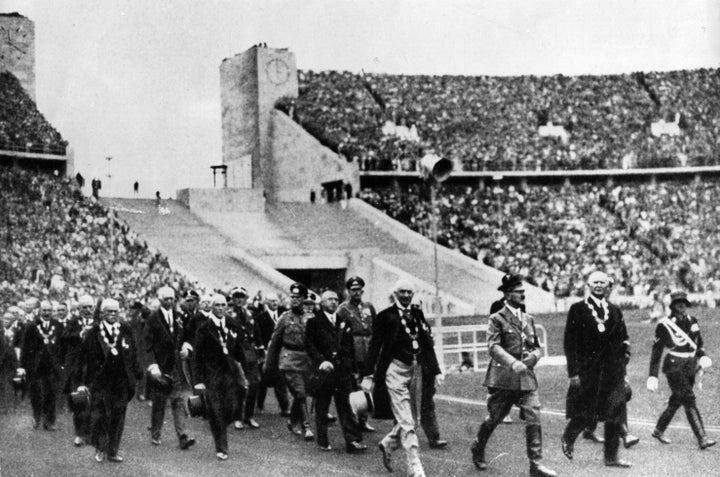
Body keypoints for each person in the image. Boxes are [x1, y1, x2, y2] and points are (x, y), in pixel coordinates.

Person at [470, 274, 556, 477]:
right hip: (504, 378)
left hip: (526, 377)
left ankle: (536, 464)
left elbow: (536, 348)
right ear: (507, 295)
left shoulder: (528, 319)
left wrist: (532, 358)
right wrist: (513, 362)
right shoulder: (497, 318)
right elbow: (493, 346)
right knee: (495, 418)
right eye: (518, 292)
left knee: (534, 416)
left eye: (523, 291)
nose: (522, 294)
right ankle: (478, 446)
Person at [361, 279, 443, 477]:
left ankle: (389, 443)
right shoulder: (385, 316)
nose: (406, 295)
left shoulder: (416, 313)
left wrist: (437, 370)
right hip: (395, 371)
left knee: (413, 419)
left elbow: (426, 343)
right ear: (395, 294)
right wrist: (368, 374)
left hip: (416, 370)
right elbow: (374, 347)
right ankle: (414, 465)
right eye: (402, 292)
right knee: (406, 420)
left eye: (409, 292)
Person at [561, 271, 632, 468]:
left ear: (608, 286)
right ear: (588, 285)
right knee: (588, 411)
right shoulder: (578, 309)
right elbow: (570, 343)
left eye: (603, 282)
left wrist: (623, 364)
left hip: (613, 371)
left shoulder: (615, 310)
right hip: (589, 370)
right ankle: (568, 436)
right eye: (595, 282)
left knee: (614, 412)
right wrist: (573, 372)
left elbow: (624, 340)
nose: (599, 285)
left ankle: (611, 457)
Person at [76, 298, 142, 463]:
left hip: (121, 381)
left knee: (118, 416)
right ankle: (100, 447)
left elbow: (133, 354)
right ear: (102, 313)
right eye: (109, 311)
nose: (113, 314)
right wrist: (83, 382)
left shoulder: (126, 329)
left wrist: (137, 374)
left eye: (115, 311)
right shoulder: (94, 332)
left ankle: (113, 450)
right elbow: (84, 358)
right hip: (101, 381)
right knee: (101, 416)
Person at [647, 290, 716, 449]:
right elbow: (657, 351)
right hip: (674, 366)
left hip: (690, 366)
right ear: (672, 306)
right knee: (689, 399)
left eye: (684, 302)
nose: (681, 305)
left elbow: (698, 343)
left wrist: (703, 355)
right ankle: (702, 437)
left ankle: (658, 430)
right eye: (678, 303)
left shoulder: (693, 320)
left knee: (678, 399)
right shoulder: (664, 325)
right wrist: (653, 376)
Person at [305, 290, 367, 453]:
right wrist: (321, 361)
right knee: (322, 407)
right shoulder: (314, 322)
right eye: (329, 299)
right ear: (322, 303)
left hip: (342, 372)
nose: (333, 302)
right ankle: (323, 441)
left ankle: (352, 441)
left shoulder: (343, 321)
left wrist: (353, 369)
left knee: (346, 406)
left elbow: (349, 347)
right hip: (324, 371)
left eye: (335, 299)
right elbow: (310, 345)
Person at [192, 294, 248, 460]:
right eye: (217, 305)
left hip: (229, 373)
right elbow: (197, 356)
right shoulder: (204, 328)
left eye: (223, 305)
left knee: (231, 407)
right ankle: (221, 446)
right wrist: (198, 381)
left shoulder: (233, 325)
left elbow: (239, 351)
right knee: (216, 410)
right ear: (212, 307)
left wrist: (245, 372)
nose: (220, 308)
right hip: (212, 374)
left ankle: (222, 426)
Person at [143, 286, 195, 450]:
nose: (170, 302)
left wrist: (187, 346)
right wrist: (153, 366)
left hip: (177, 366)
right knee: (159, 402)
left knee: (179, 401)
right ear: (160, 300)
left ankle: (183, 435)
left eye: (172, 299)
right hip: (161, 366)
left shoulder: (180, 316)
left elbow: (188, 335)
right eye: (166, 299)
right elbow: (147, 345)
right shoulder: (152, 319)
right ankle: (156, 432)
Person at [265, 283, 315, 441]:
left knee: (302, 393)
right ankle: (306, 426)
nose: (294, 300)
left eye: (298, 297)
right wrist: (269, 365)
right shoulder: (284, 318)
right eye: (292, 296)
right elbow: (274, 343)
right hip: (289, 359)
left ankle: (293, 421)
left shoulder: (311, 317)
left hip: (306, 359)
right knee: (299, 392)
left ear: (304, 298)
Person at [336, 275, 377, 432]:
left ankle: (363, 419)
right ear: (348, 291)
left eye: (359, 290)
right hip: (353, 351)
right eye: (353, 290)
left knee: (367, 385)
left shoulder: (368, 306)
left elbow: (376, 328)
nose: (356, 293)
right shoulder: (343, 309)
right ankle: (354, 418)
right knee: (355, 386)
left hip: (368, 350)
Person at [20, 300, 63, 431]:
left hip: (52, 366)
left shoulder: (58, 326)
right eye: (44, 310)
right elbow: (25, 347)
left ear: (52, 312)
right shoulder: (31, 326)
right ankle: (36, 417)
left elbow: (61, 346)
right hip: (35, 366)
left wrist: (61, 363)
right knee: (36, 393)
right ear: (40, 311)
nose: (46, 313)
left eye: (49, 310)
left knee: (51, 393)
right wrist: (22, 366)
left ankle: (49, 421)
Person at [61, 294, 97, 446]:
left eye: (90, 307)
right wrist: (80, 334)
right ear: (79, 309)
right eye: (84, 308)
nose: (88, 310)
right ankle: (79, 434)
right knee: (78, 401)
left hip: (93, 367)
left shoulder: (98, 322)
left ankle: (90, 433)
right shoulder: (73, 321)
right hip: (76, 367)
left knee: (93, 401)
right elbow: (64, 337)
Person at [256, 292, 290, 417]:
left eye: (276, 301)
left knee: (280, 381)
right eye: (271, 301)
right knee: (262, 382)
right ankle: (259, 405)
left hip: (281, 353)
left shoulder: (283, 316)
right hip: (266, 352)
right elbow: (258, 335)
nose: (274, 303)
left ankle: (284, 407)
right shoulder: (260, 317)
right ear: (266, 302)